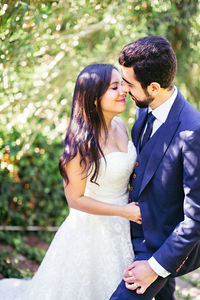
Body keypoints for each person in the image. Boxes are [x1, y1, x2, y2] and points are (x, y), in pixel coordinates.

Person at [0, 64, 141, 300]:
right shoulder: (81, 143)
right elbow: (75, 199)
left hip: (125, 225)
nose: (123, 91)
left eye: (122, 85)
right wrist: (122, 211)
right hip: (92, 231)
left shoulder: (120, 125)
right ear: (94, 98)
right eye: (114, 87)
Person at [110, 36, 200, 300]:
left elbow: (195, 217)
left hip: (162, 247)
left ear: (154, 87)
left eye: (128, 83)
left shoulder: (193, 133)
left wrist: (155, 267)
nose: (123, 89)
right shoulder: (146, 106)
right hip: (133, 235)